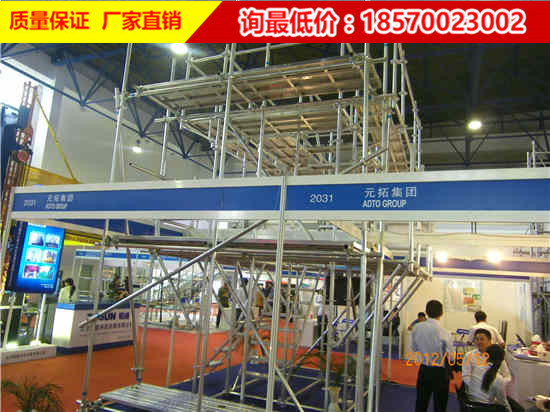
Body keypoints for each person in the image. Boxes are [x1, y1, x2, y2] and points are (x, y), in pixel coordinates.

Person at [411, 299, 454, 412]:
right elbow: (451, 357)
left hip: (424, 370)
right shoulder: (445, 332)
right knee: (440, 405)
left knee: (421, 403)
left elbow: (414, 348)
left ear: (426, 312)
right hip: (440, 373)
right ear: (441, 313)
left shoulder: (417, 328)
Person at [462, 344, 513, 412]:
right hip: (486, 408)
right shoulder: (498, 379)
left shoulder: (475, 368)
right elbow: (503, 402)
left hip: (470, 404)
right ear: (501, 360)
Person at [463, 329, 512, 395]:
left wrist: (498, 385)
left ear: (489, 341)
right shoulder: (469, 356)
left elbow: (507, 376)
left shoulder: (497, 354)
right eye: (477, 339)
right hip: (475, 392)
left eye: (482, 339)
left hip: (495, 391)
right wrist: (477, 387)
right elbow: (465, 375)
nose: (479, 342)